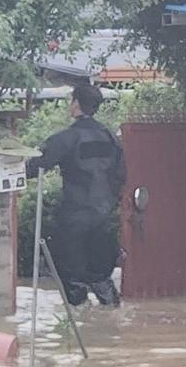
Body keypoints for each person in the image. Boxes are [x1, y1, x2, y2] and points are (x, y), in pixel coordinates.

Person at [26, 84, 126, 307]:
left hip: (75, 216)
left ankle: (79, 327)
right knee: (101, 277)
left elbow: (35, 165)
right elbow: (122, 175)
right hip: (106, 217)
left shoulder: (66, 138)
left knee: (72, 277)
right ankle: (110, 323)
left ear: (76, 103)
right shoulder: (111, 138)